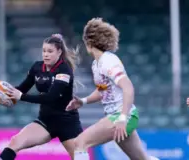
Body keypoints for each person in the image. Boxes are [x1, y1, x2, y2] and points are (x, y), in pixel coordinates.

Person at [66, 18, 159, 160]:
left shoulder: (108, 61)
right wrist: (83, 101)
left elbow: (128, 87)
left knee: (80, 143)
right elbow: (102, 90)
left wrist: (122, 118)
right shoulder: (96, 64)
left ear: (88, 43)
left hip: (121, 116)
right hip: (121, 116)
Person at [0, 34, 83, 160]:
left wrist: (21, 96)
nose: (46, 54)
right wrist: (6, 93)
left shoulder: (64, 70)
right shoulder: (37, 67)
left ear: (59, 52)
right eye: (44, 51)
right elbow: (22, 89)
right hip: (45, 122)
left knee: (80, 157)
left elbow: (50, 98)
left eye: (50, 51)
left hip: (67, 122)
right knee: (15, 142)